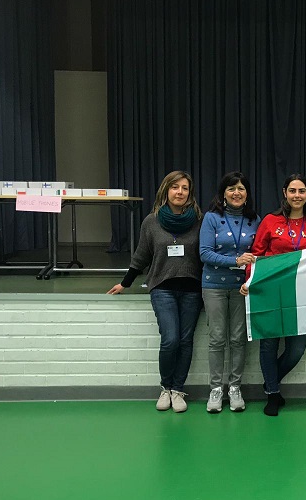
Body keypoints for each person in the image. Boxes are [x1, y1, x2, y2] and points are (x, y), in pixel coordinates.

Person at [108, 171, 203, 413]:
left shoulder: (199, 221)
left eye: (185, 188)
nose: (180, 192)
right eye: (175, 187)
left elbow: (205, 254)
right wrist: (125, 283)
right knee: (170, 339)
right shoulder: (152, 221)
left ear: (190, 193)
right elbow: (141, 255)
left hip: (192, 289)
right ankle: (165, 387)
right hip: (163, 288)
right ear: (165, 190)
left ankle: (178, 390)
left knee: (186, 341)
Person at [241, 173, 306, 416]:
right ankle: (273, 393)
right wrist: (250, 280)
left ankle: (270, 381)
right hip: (271, 290)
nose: (297, 195)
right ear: (285, 193)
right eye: (292, 191)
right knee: (268, 345)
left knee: (296, 349)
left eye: (301, 191)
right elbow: (256, 253)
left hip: (302, 293)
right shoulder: (271, 221)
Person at [200, 171, 261, 413]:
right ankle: (216, 389)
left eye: (241, 189)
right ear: (223, 194)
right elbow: (204, 253)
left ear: (247, 194)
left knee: (238, 339)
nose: (236, 193)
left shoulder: (255, 219)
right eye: (231, 188)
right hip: (213, 285)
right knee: (217, 339)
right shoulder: (211, 218)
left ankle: (235, 387)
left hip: (242, 288)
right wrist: (235, 260)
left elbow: (260, 251)